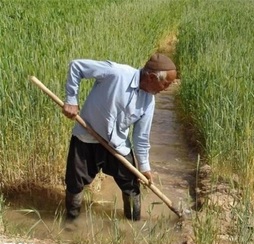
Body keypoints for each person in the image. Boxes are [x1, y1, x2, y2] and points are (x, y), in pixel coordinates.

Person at [62, 53, 177, 221]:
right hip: (86, 137)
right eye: (166, 84)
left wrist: (144, 168)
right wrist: (71, 100)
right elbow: (76, 66)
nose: (166, 89)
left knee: (132, 185)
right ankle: (70, 223)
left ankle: (133, 224)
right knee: (75, 184)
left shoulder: (148, 102)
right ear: (152, 77)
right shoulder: (116, 73)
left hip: (117, 146)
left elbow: (141, 137)